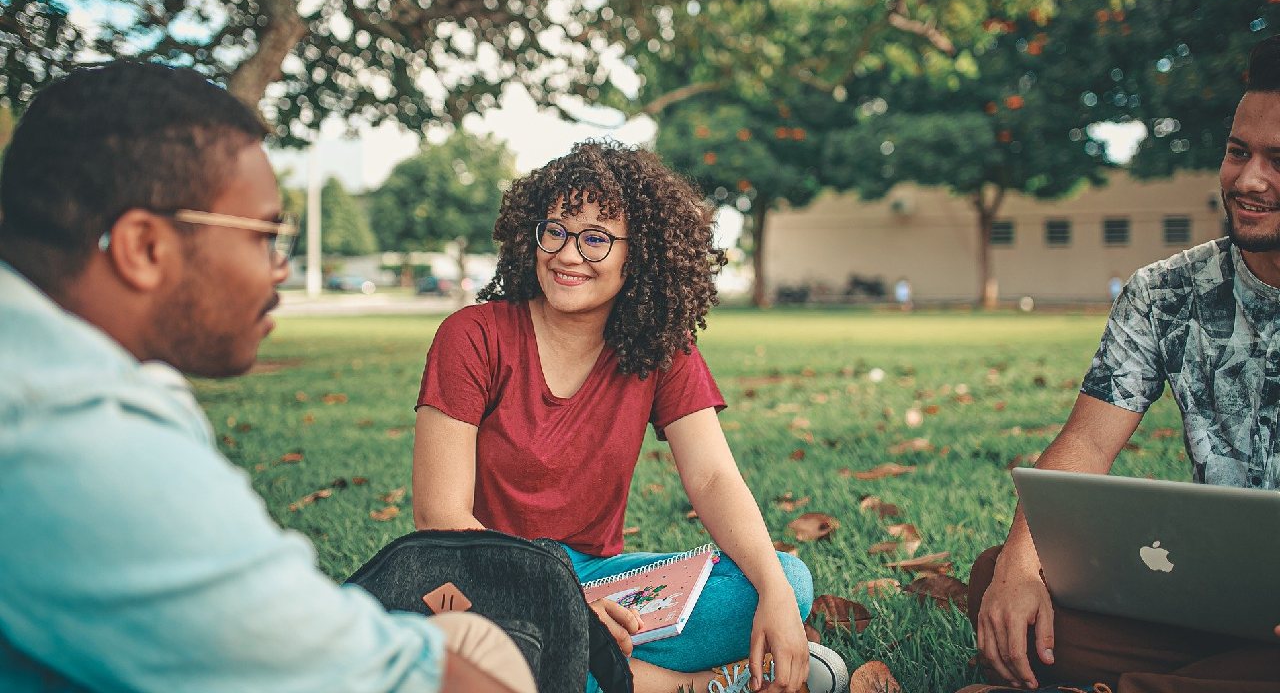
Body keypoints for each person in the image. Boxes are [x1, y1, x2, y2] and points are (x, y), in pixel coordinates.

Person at [0, 61, 534, 693]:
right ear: (145, 248)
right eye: (265, 236)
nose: (280, 268)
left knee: (467, 636)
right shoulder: (76, 438)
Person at [412, 141, 844, 693]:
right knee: (477, 656)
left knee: (784, 578)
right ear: (532, 235)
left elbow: (712, 477)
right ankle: (690, 685)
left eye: (595, 238)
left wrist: (778, 600)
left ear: (638, 253)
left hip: (597, 582)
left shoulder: (661, 347)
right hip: (483, 582)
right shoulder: (472, 336)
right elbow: (440, 518)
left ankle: (588, 669)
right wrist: (563, 612)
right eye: (556, 230)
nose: (568, 255)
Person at [961, 35, 1280, 693]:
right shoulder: (1167, 292)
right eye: (1238, 152)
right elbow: (1086, 441)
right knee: (1001, 584)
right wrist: (1021, 567)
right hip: (1219, 603)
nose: (1248, 180)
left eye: (1279, 160)